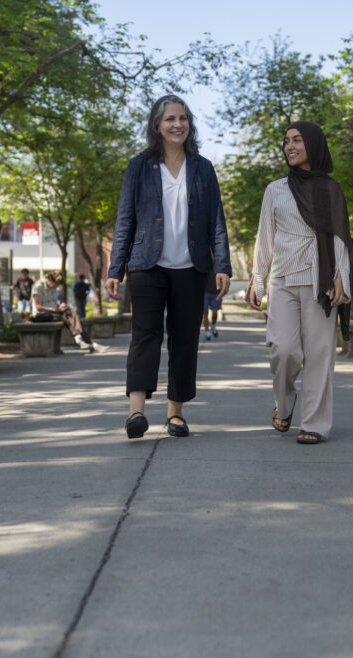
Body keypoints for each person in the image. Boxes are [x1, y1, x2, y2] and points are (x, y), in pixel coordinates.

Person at [106, 94, 232, 439]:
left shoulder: (203, 168)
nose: (178, 124)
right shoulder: (140, 166)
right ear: (157, 126)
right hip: (147, 264)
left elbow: (216, 221)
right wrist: (115, 268)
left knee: (185, 338)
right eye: (170, 119)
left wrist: (222, 265)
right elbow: (125, 219)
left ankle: (175, 413)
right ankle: (136, 412)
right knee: (144, 335)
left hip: (191, 267)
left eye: (183, 118)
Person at [248, 120, 352, 445]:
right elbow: (265, 237)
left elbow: (339, 235)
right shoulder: (275, 189)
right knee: (283, 350)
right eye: (286, 141)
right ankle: (284, 404)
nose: (289, 146)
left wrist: (341, 275)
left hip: (320, 280)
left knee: (319, 354)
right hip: (282, 279)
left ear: (314, 145)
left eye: (297, 140)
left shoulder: (331, 189)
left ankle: (315, 424)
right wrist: (258, 279)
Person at [34, 270, 108, 354]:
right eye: (55, 284)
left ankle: (80, 338)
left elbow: (53, 302)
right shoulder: (38, 286)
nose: (56, 287)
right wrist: (55, 309)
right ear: (49, 279)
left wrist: (60, 305)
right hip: (42, 315)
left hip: (55, 313)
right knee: (67, 316)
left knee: (70, 312)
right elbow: (38, 307)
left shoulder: (53, 287)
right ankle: (88, 343)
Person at [202, 270, 222, 340]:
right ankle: (207, 332)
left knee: (215, 313)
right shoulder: (204, 263)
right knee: (205, 313)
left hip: (216, 292)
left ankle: (213, 326)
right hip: (205, 292)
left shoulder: (219, 264)